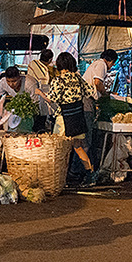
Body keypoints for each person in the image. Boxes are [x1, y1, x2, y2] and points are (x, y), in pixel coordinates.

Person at [47, 52, 98, 186]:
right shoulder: (78, 78)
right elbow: (89, 92)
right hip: (77, 117)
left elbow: (53, 98)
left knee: (58, 149)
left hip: (63, 119)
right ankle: (90, 175)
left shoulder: (58, 80)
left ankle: (58, 179)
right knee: (78, 148)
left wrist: (40, 93)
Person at [27, 49, 55, 132]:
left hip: (30, 95)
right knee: (40, 122)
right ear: (50, 60)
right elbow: (44, 87)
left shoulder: (32, 63)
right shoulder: (45, 72)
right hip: (40, 98)